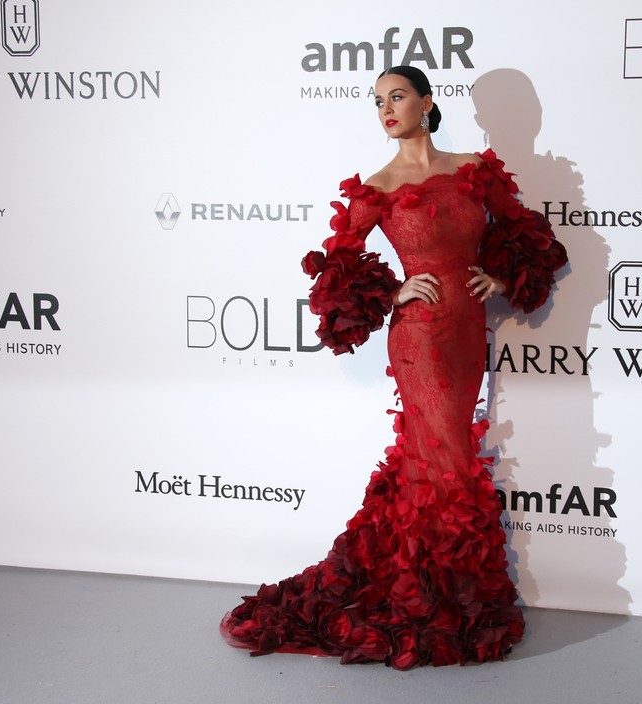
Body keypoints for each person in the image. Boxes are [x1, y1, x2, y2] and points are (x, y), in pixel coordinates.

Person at [219, 65, 567, 670]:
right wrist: (392, 292)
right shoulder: (376, 188)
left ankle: (446, 592)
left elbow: (526, 234)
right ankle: (441, 600)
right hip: (419, 340)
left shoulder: (474, 171)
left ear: (427, 103)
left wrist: (500, 276)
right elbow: (334, 269)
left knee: (444, 455)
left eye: (397, 96)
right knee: (445, 456)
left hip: (466, 334)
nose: (385, 109)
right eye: (378, 100)